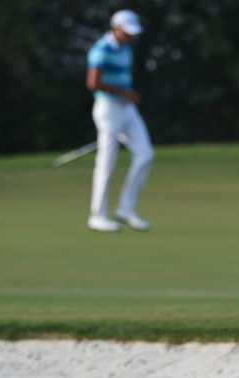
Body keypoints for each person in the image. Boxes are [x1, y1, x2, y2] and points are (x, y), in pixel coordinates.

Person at [85, 10, 154, 232]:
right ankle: (97, 216)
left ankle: (125, 209)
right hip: (108, 110)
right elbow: (93, 83)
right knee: (107, 161)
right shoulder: (101, 50)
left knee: (145, 154)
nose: (131, 36)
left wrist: (127, 96)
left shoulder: (126, 48)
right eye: (127, 32)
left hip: (127, 109)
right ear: (115, 28)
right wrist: (123, 93)